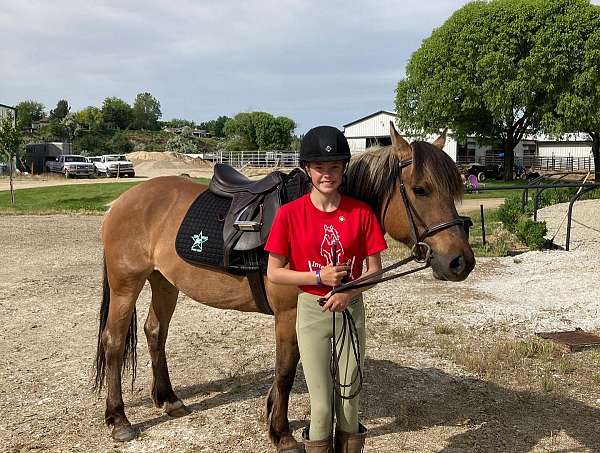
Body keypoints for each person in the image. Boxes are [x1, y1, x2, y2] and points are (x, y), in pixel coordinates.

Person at [265, 126, 387, 452]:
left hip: (350, 311)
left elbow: (375, 270)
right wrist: (318, 278)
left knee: (349, 402)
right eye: (320, 167)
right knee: (320, 407)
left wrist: (349, 293)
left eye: (334, 167)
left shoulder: (362, 213)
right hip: (311, 310)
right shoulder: (289, 215)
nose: (327, 175)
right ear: (308, 169)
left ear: (344, 168)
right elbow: (274, 273)